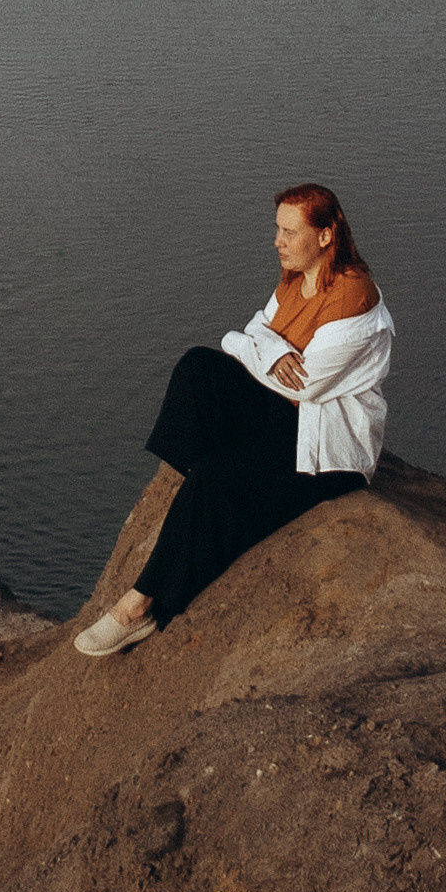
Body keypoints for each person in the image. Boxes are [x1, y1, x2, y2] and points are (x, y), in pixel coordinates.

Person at [74, 183, 394, 656]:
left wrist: (259, 347)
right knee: (198, 368)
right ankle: (218, 492)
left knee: (213, 478)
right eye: (277, 229)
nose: (277, 241)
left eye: (289, 231)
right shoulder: (295, 278)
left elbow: (305, 386)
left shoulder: (351, 297)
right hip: (280, 414)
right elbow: (246, 336)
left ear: (326, 236)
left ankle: (141, 607)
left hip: (321, 446)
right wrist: (267, 348)